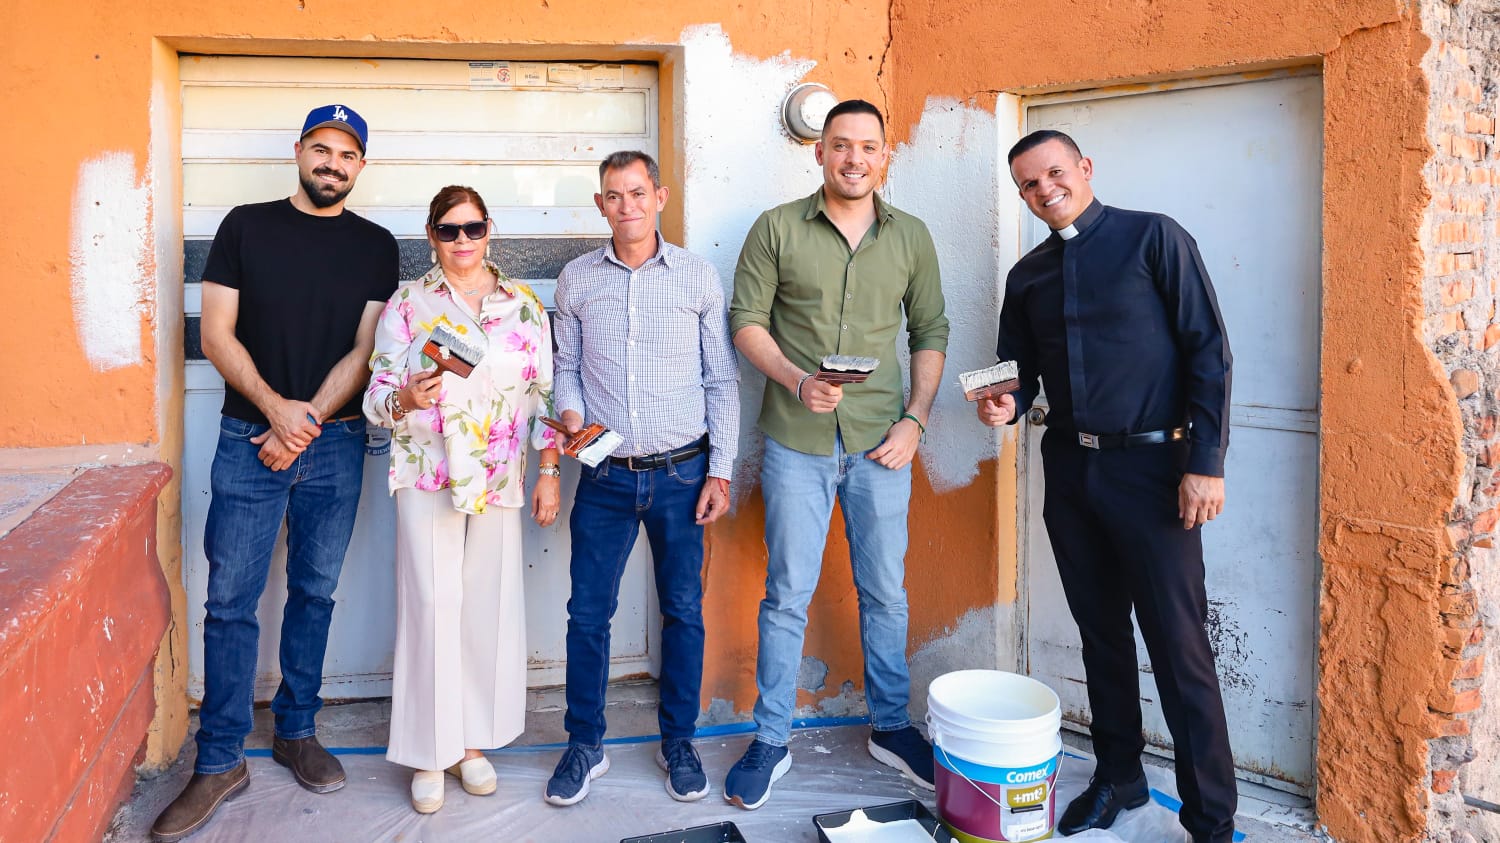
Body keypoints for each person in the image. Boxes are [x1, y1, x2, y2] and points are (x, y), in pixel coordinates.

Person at [977, 129, 1235, 842]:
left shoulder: (1155, 238)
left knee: (1179, 649)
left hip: (1157, 473)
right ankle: (1119, 776)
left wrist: (1206, 462)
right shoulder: (1027, 275)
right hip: (1071, 471)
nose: (1045, 189)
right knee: (1101, 636)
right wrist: (1004, 402)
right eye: (1029, 184)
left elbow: (1209, 352)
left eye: (1054, 172)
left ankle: (1212, 822)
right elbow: (1016, 372)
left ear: (1084, 168)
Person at [152, 104, 397, 842]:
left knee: (315, 592)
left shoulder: (376, 245)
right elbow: (215, 333)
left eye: (346, 154)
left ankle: (296, 730)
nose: (332, 163)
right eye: (321, 148)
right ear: (298, 151)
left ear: (361, 166)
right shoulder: (245, 227)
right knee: (230, 600)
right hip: (246, 438)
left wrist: (305, 421)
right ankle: (220, 758)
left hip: (335, 441)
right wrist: (274, 410)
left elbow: (365, 351)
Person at [725, 99, 948, 810]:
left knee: (885, 591)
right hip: (797, 440)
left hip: (883, 441)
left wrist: (915, 420)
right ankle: (771, 739)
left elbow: (931, 329)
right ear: (819, 151)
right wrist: (798, 380)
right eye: (841, 145)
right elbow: (746, 320)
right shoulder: (777, 227)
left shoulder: (911, 236)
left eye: (868, 147)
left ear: (886, 155)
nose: (855, 158)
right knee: (786, 593)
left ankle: (891, 727)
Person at [543, 151, 738, 807]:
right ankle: (584, 744)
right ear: (600, 204)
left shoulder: (696, 276)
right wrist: (572, 416)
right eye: (613, 195)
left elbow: (721, 379)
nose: (626, 205)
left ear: (659, 196)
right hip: (605, 478)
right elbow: (565, 368)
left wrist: (720, 470)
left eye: (636, 192)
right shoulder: (576, 279)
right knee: (587, 614)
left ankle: (678, 741)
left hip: (683, 474)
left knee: (682, 610)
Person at [363, 185, 561, 813]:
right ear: (431, 236)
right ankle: (430, 750)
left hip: (499, 475)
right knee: (430, 606)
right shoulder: (407, 304)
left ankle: (471, 743)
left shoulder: (524, 305)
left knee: (486, 608)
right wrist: (404, 399)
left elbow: (545, 394)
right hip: (430, 471)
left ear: (489, 229)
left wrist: (549, 468)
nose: (462, 241)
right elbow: (375, 395)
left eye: (472, 228)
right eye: (448, 230)